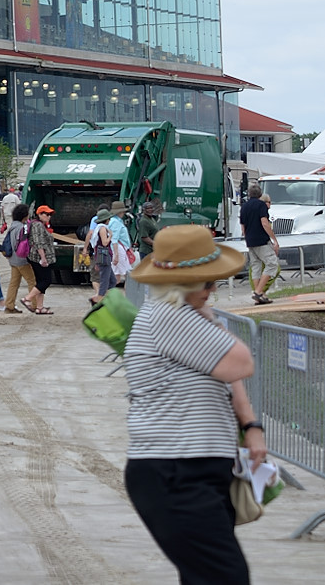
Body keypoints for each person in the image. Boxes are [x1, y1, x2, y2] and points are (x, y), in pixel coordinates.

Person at [122, 224, 262, 584]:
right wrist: (210, 319)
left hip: (189, 470)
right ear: (183, 284)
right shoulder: (172, 318)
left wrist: (250, 426)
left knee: (206, 574)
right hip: (176, 472)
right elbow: (240, 362)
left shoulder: (178, 316)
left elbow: (227, 376)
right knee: (225, 576)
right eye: (208, 282)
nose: (213, 290)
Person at [21, 205, 58, 314]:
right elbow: (38, 243)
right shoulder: (37, 225)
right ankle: (27, 299)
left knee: (41, 281)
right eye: (46, 214)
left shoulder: (41, 225)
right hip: (38, 258)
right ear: (39, 214)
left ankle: (39, 307)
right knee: (46, 281)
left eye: (50, 214)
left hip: (39, 258)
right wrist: (43, 258)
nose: (49, 216)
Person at [2, 202, 35, 313]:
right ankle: (34, 304)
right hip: (22, 259)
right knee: (32, 282)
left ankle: (9, 305)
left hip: (13, 260)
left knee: (14, 283)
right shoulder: (22, 228)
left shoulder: (12, 227)